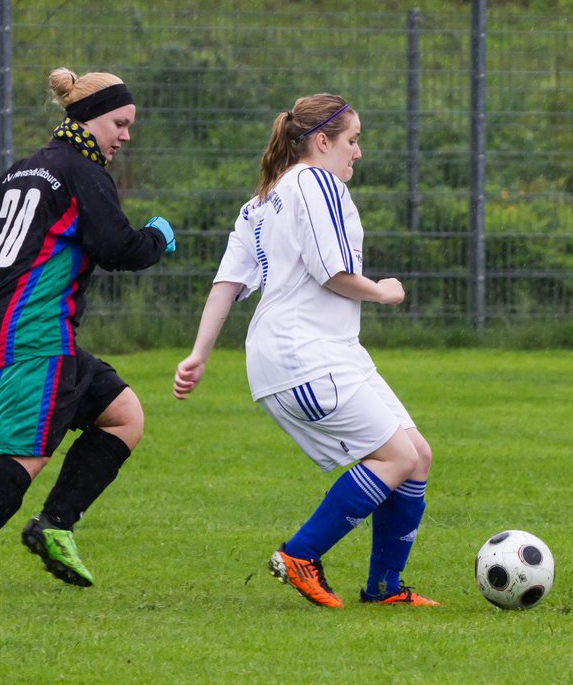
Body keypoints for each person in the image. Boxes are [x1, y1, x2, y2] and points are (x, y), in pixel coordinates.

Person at [173, 93, 437, 608]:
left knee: (417, 455)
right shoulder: (316, 181)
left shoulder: (261, 200)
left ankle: (384, 588)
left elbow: (226, 283)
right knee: (398, 457)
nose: (357, 153)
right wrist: (384, 290)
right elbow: (332, 272)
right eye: (353, 141)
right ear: (321, 142)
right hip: (306, 354)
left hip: (319, 351)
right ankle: (300, 554)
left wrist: (199, 354)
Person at [0, 67, 176, 594]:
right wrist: (156, 238)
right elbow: (117, 247)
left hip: (24, 328)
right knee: (25, 452)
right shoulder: (84, 171)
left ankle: (55, 524)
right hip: (31, 333)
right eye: (120, 123)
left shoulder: (27, 169)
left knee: (123, 415)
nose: (125, 135)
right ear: (89, 117)